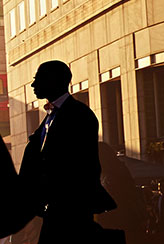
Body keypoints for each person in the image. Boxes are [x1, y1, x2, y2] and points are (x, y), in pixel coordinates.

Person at [19, 61, 116, 242]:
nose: (33, 85)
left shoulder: (79, 115)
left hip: (68, 210)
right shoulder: (51, 117)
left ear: (54, 80)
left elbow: (82, 166)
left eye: (38, 79)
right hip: (53, 210)